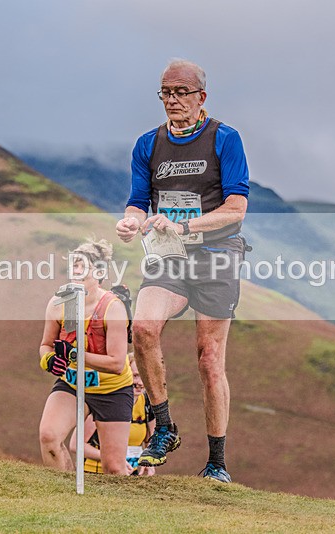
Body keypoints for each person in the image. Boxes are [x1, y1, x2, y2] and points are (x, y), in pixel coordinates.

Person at [115, 59, 250, 482]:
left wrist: (188, 224)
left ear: (201, 98)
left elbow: (237, 208)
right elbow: (139, 199)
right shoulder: (147, 144)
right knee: (144, 328)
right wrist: (131, 220)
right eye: (165, 93)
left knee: (209, 360)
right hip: (169, 255)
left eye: (181, 93)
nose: (172, 100)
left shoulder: (224, 139)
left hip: (216, 256)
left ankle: (216, 462)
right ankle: (165, 427)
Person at [38, 239, 135, 475]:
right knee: (49, 437)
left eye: (83, 268)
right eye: (74, 268)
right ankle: (63, 499)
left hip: (111, 390)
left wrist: (74, 355)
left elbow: (115, 363)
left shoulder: (113, 308)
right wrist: (49, 360)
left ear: (99, 273)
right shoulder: (58, 303)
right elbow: (45, 345)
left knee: (113, 467)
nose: (76, 273)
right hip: (73, 383)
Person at [69, 356, 156, 476]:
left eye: (144, 377)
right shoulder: (107, 400)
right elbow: (76, 445)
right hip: (95, 474)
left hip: (130, 474)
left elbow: (150, 440)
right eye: (135, 376)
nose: (140, 383)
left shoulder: (147, 404)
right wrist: (113, 459)